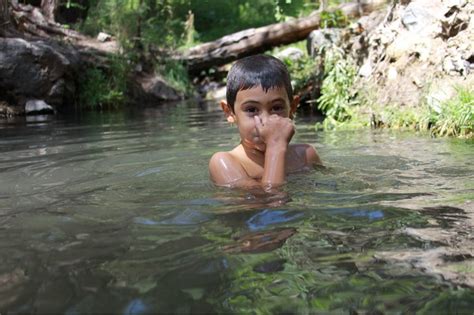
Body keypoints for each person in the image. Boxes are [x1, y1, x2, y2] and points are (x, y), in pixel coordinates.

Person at [209, 54, 322, 190]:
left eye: (276, 108)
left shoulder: (305, 155)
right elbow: (271, 204)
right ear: (229, 112)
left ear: (292, 108)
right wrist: (275, 146)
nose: (266, 121)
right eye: (252, 110)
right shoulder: (225, 162)